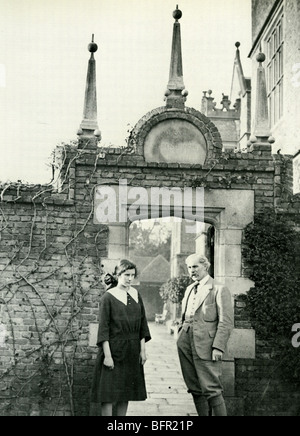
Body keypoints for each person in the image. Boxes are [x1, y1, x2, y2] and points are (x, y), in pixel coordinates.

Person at [91, 259, 151, 416]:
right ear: (118, 275)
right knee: (108, 395)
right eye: (126, 275)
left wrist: (142, 351)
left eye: (132, 275)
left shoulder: (136, 294)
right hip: (113, 350)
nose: (130, 279)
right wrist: (108, 356)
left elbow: (142, 325)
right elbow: (103, 329)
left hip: (132, 350)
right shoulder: (108, 297)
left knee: (126, 393)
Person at [177, 254, 234, 416]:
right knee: (194, 388)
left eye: (195, 267)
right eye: (189, 267)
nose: (192, 271)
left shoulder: (218, 289)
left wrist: (218, 347)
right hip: (186, 343)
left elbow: (226, 322)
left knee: (212, 389)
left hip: (207, 346)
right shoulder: (189, 289)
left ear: (205, 266)